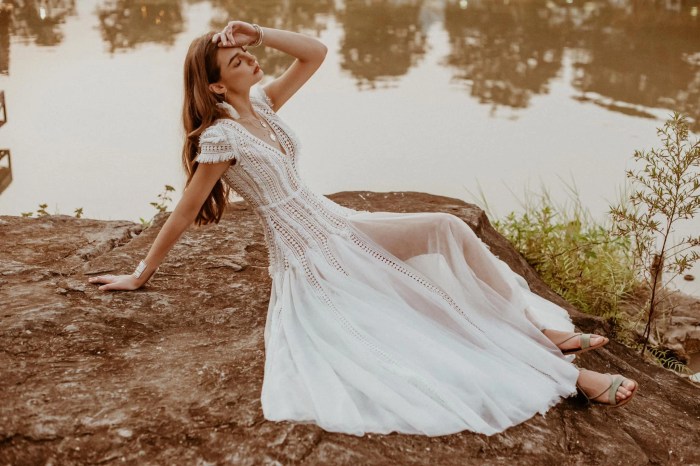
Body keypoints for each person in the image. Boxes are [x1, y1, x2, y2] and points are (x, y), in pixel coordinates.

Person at [87, 21, 638, 437]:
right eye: (237, 59)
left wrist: (261, 30)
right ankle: (571, 380)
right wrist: (140, 274)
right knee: (425, 320)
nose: (251, 60)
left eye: (247, 51)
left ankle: (535, 332)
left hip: (337, 224)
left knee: (446, 229)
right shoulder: (221, 138)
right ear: (213, 86)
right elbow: (184, 212)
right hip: (310, 257)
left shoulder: (263, 103)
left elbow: (317, 53)